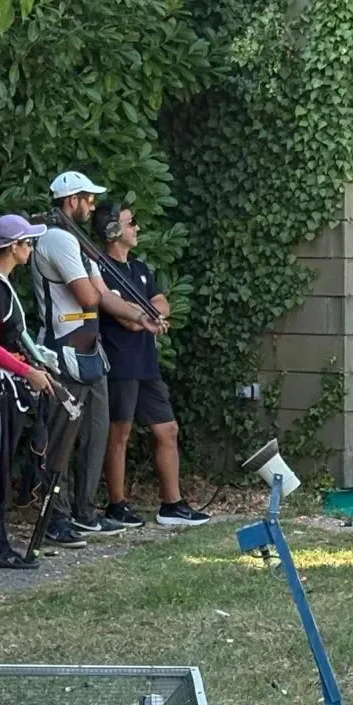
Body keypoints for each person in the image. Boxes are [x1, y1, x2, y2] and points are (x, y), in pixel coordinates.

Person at [28, 171, 163, 547]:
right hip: (60, 350)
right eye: (87, 199)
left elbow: (103, 293)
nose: (93, 207)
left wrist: (141, 316)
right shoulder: (56, 239)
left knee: (95, 433)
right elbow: (89, 297)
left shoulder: (77, 240)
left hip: (90, 352)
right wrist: (121, 306)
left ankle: (85, 512)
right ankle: (56, 516)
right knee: (61, 439)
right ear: (72, 201)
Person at [92, 199, 210, 528]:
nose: (137, 228)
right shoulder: (99, 270)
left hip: (146, 363)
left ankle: (172, 504)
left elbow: (161, 302)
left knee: (167, 429)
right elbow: (125, 318)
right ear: (112, 230)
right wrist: (142, 315)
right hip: (120, 364)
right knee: (120, 433)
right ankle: (117, 504)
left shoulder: (140, 269)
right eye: (131, 223)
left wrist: (149, 314)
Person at [0, 214, 55, 569]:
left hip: (7, 387)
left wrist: (31, 361)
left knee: (0, 467)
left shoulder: (0, 284)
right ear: (12, 247)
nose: (30, 248)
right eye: (27, 243)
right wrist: (28, 371)